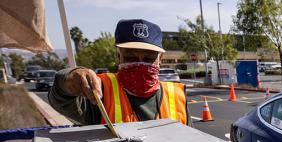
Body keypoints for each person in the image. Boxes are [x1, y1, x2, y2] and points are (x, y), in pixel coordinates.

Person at [49, 19, 191, 126]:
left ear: (161, 59)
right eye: (131, 57)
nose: (140, 63)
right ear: (119, 57)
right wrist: (68, 78)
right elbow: (60, 99)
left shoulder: (176, 96)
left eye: (149, 58)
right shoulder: (100, 90)